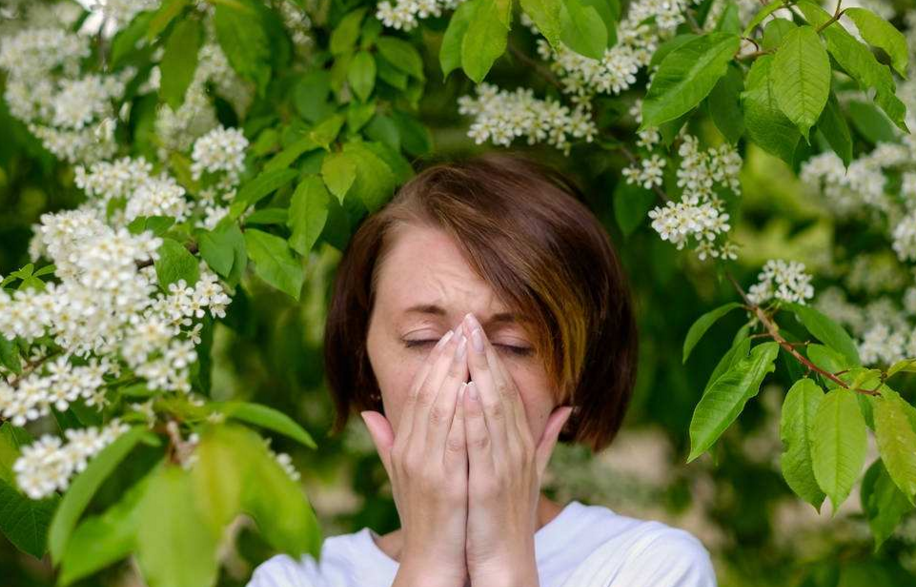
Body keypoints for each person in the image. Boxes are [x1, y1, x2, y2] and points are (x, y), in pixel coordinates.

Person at [246, 152, 717, 587]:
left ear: (575, 372)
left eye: (515, 346)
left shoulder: (648, 567)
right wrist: (428, 564)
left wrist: (502, 565)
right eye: (423, 339)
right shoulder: (297, 580)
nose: (469, 378)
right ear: (363, 361)